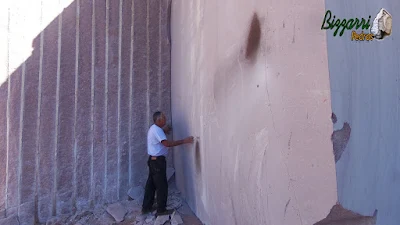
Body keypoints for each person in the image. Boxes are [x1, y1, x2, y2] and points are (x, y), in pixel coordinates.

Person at [141, 111, 194, 216]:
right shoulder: (157, 130)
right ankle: (161, 210)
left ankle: (146, 207)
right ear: (159, 120)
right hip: (157, 163)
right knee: (162, 186)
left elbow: (159, 136)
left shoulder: (155, 128)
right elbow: (167, 144)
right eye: (164, 118)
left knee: (151, 185)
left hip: (153, 161)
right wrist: (184, 141)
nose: (166, 119)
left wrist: (164, 131)